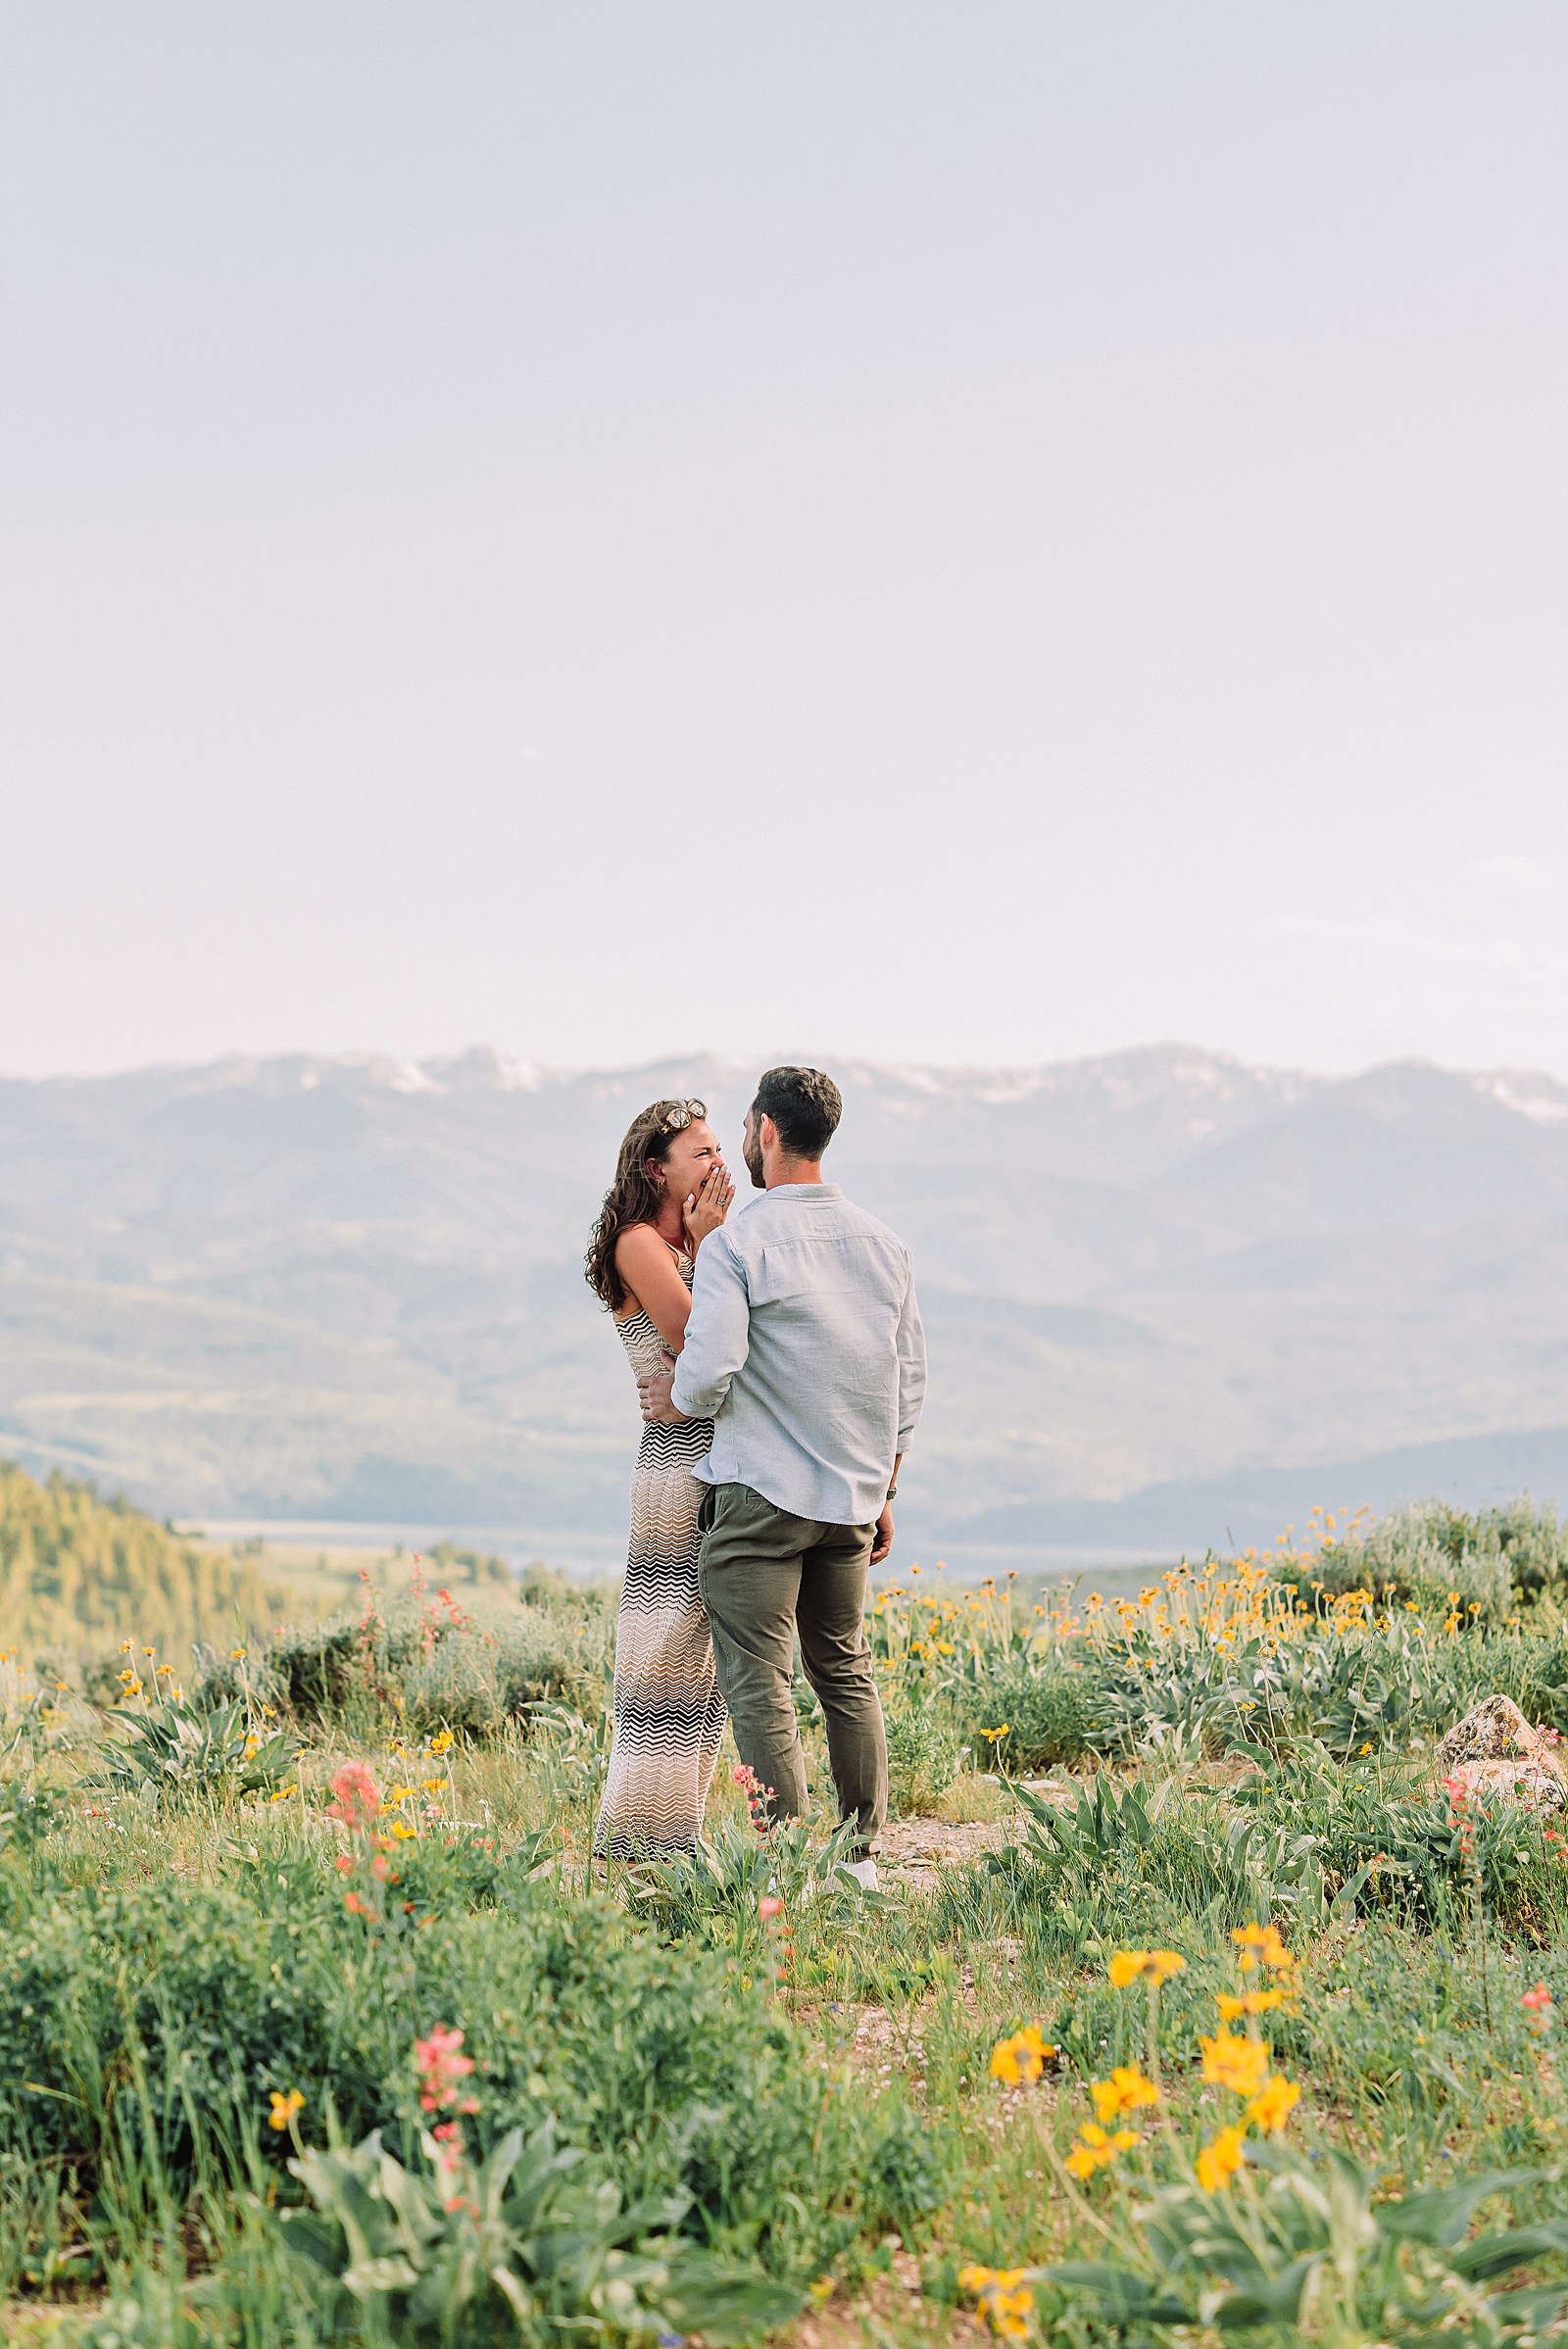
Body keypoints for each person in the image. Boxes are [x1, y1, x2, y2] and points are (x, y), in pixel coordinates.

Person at [637, 1065, 925, 1889]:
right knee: (843, 1667)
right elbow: (908, 1382)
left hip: (760, 1499)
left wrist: (677, 1390)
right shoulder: (886, 1245)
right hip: (852, 1503)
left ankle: (791, 1866)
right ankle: (860, 1860)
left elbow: (709, 1371)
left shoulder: (739, 1244)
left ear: (766, 1131)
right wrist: (888, 1488)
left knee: (761, 1682)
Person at [584, 1097, 735, 1855]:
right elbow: (695, 1336)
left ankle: (675, 1835)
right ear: (657, 1167)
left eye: (716, 1148)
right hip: (677, 1468)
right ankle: (634, 1838)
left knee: (703, 1664)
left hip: (717, 1452)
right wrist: (709, 1244)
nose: (718, 1162)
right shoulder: (640, 1243)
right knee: (665, 1650)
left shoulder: (706, 1240)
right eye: (701, 1152)